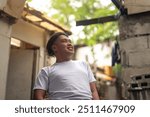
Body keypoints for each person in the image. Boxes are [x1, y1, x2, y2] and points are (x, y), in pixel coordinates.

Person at [33, 32, 100, 100]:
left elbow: (94, 91)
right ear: (54, 48)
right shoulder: (46, 71)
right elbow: (38, 97)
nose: (70, 44)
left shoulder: (83, 65)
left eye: (70, 41)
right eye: (64, 41)